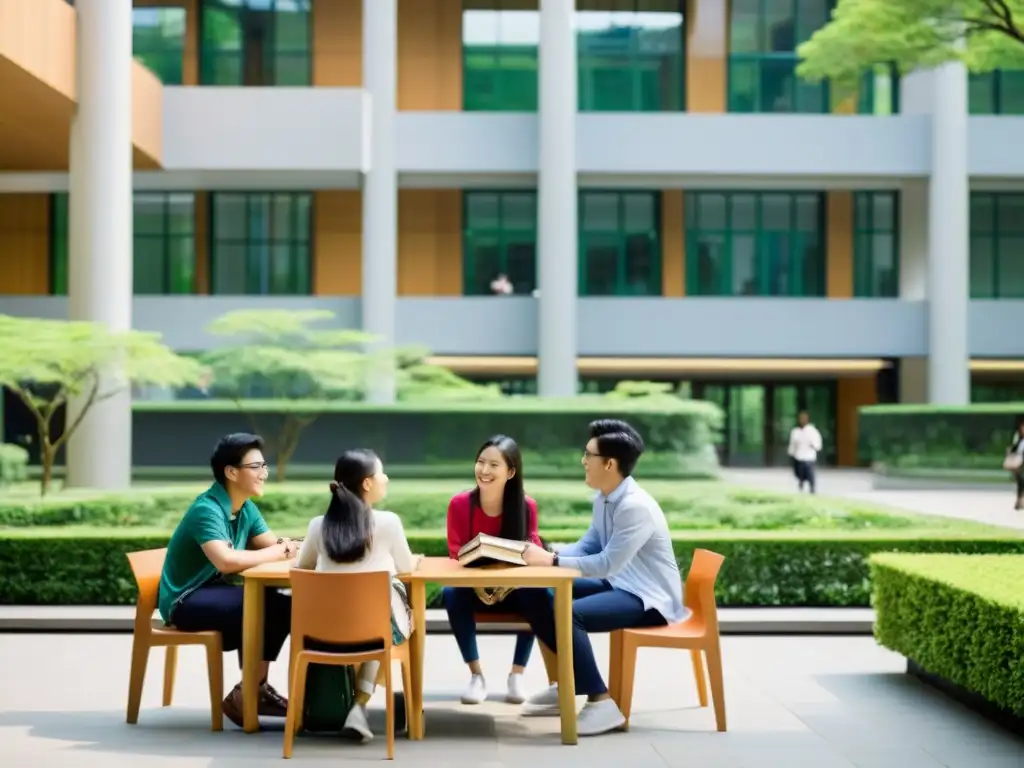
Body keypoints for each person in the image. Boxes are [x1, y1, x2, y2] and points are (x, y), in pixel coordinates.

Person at [516, 419, 687, 736]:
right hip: (622, 583)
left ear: (609, 464)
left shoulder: (635, 507)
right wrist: (543, 550)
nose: (583, 461)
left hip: (649, 598)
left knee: (571, 613)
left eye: (588, 455)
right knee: (533, 591)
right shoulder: (605, 498)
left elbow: (607, 563)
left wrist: (551, 560)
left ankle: (601, 701)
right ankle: (566, 681)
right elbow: (588, 546)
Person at [158, 433, 299, 728]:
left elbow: (272, 547)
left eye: (264, 466)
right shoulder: (206, 509)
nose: (264, 473)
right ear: (231, 472)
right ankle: (249, 693)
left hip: (215, 591)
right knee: (264, 606)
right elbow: (226, 560)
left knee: (281, 606)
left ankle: (251, 690)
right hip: (186, 599)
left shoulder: (245, 507)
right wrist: (280, 549)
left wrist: (295, 547)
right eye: (256, 466)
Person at [296, 449, 421, 743]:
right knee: (389, 621)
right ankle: (360, 704)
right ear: (367, 483)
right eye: (381, 474)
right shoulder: (389, 523)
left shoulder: (318, 525)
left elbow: (303, 567)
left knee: (374, 619)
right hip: (376, 632)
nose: (386, 479)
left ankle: (356, 706)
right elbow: (405, 567)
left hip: (322, 632)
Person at [444, 435, 545, 705]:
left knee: (542, 595)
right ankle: (476, 675)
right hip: (472, 587)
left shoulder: (526, 505)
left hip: (512, 588)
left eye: (493, 465)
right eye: (480, 462)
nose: (484, 471)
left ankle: (517, 674)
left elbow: (532, 544)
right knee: (450, 594)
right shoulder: (459, 504)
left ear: (511, 472)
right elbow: (455, 549)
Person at [788, 410, 823, 494]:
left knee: (810, 473)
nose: (802, 420)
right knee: (799, 473)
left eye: (804, 418)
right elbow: (793, 443)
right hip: (799, 456)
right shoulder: (795, 431)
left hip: (809, 456)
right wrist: (791, 452)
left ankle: (812, 487)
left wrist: (815, 446)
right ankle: (801, 482)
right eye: (801, 418)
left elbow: (817, 443)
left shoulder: (812, 431)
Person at [1005, 416, 1024, 509]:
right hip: (1019, 464)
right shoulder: (1019, 440)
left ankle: (1020, 500)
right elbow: (1014, 449)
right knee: (1020, 481)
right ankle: (1019, 500)